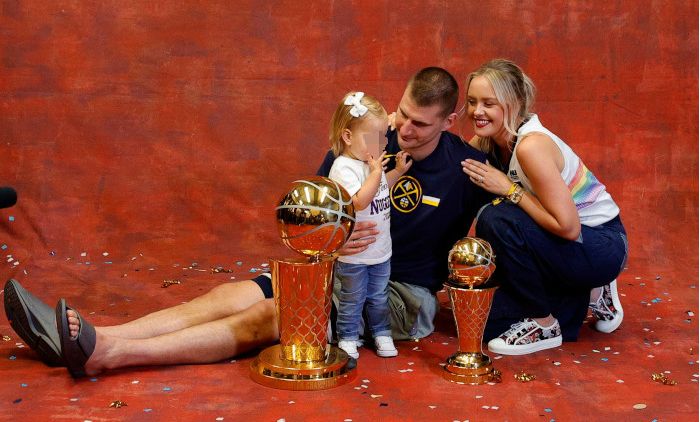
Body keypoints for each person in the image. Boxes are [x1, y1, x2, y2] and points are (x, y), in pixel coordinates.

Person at [3, 66, 489, 378]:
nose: (403, 129)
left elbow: (518, 222)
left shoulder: (466, 169)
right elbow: (315, 214)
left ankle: (108, 354)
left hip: (397, 291)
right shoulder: (367, 139)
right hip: (336, 265)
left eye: (420, 124)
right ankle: (102, 334)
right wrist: (334, 240)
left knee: (269, 316)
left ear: (449, 122)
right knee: (231, 295)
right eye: (402, 114)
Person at [460, 59, 628, 355]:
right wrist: (401, 131)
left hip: (599, 242)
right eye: (472, 102)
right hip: (558, 245)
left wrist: (509, 189)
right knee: (487, 323)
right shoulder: (489, 141)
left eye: (489, 103)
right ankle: (587, 294)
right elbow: (451, 162)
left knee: (496, 216)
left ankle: (543, 323)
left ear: (514, 104)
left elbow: (568, 227)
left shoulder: (531, 146)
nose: (477, 111)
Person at [327, 91, 411, 359]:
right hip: (355, 255)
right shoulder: (344, 168)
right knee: (353, 298)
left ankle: (381, 332)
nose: (380, 144)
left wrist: (396, 172)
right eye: (372, 138)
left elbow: (381, 187)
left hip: (380, 252)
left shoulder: (369, 163)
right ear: (348, 136)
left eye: (382, 137)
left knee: (379, 296)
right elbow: (360, 201)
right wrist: (376, 172)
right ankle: (348, 336)